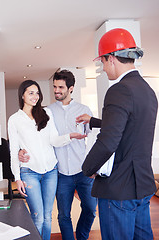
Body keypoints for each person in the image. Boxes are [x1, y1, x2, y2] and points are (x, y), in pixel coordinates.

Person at [77, 28, 158, 240]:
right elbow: (129, 127)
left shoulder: (118, 90)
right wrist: (93, 121)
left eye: (102, 62)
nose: (103, 69)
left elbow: (108, 141)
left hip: (119, 189)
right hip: (142, 184)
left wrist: (87, 169)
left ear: (111, 58)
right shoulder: (147, 91)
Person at [19, 70, 97, 240]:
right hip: (60, 172)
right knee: (63, 215)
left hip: (83, 170)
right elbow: (35, 138)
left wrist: (94, 166)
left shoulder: (84, 110)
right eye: (54, 87)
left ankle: (82, 237)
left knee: (91, 208)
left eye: (61, 87)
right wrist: (20, 151)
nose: (56, 91)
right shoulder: (47, 112)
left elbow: (92, 140)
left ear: (71, 88)